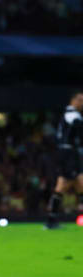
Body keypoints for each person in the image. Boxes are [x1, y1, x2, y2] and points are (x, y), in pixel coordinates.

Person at [46, 90, 83, 229]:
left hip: (67, 152)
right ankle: (51, 220)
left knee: (77, 183)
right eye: (80, 100)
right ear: (73, 100)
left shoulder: (68, 114)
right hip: (68, 153)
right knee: (65, 184)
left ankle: (51, 219)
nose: (82, 103)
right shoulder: (73, 115)